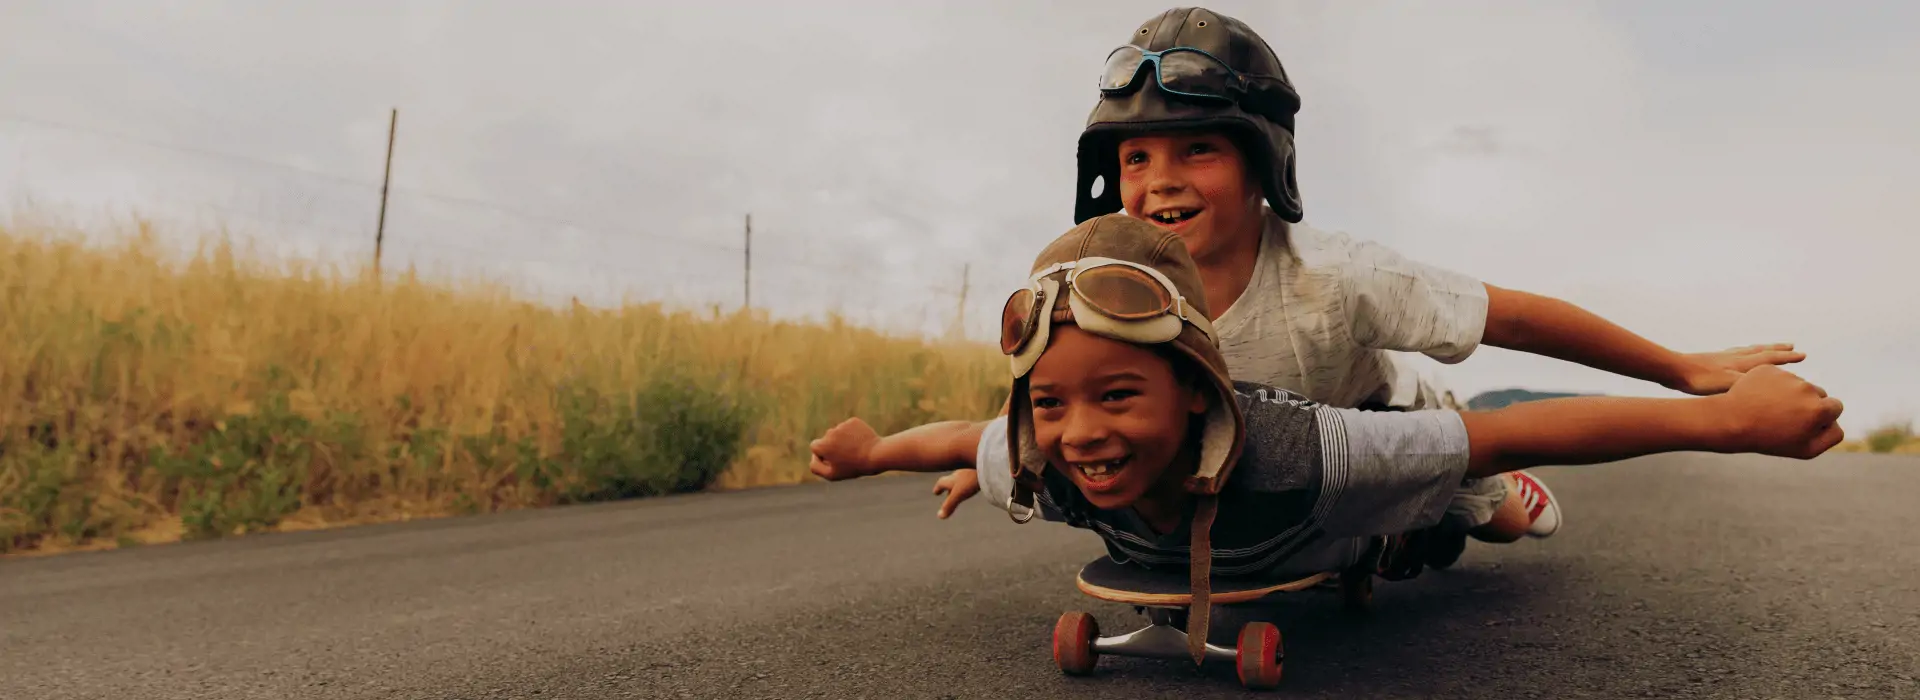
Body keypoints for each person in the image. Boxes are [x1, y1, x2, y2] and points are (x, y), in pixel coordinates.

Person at [911, 7, 1805, 567]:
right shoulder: (1115, 289)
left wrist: (1680, 371)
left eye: (1198, 149)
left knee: (1475, 500)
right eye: (1136, 158)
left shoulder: (1338, 276)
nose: (1160, 181)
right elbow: (1067, 398)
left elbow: (1515, 317)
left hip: (1382, 419)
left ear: (1263, 164)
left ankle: (1496, 496)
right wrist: (1004, 456)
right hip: (1251, 453)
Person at [809, 213, 1845, 665]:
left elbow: (1513, 426)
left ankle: (1470, 514)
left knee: (1451, 484)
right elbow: (961, 432)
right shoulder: (1034, 451)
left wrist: (1722, 421)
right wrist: (870, 451)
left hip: (1349, 485)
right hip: (1235, 546)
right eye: (1050, 404)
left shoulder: (1300, 452)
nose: (1080, 433)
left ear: (1194, 389)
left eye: (1119, 396)